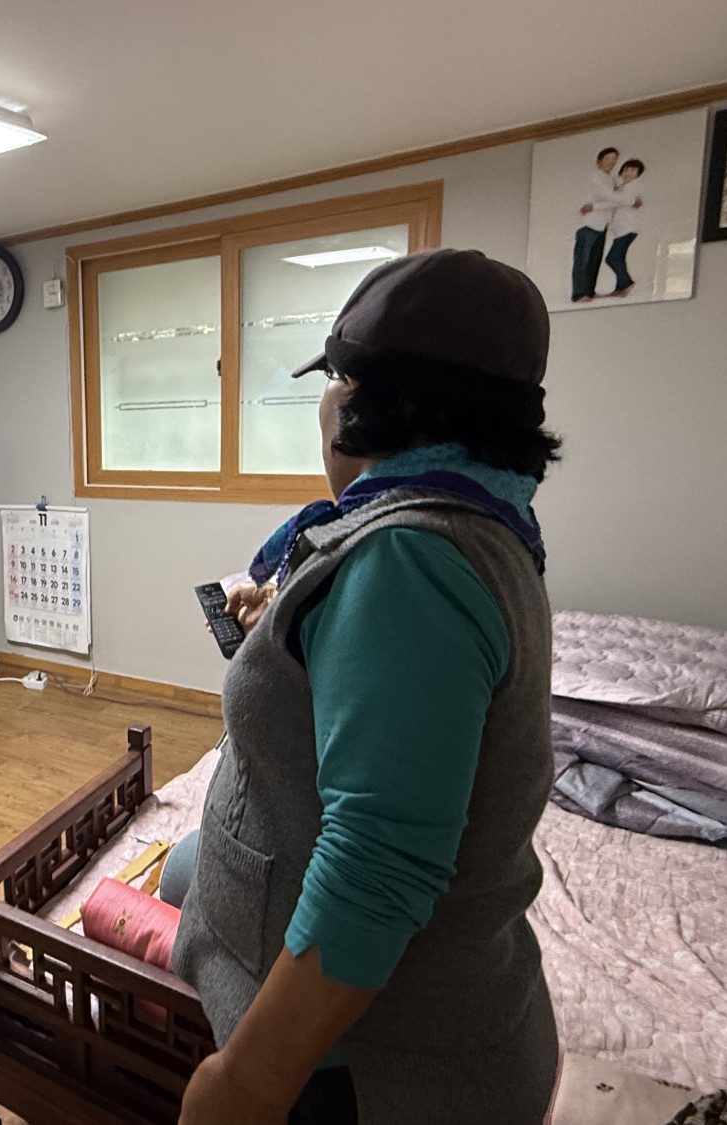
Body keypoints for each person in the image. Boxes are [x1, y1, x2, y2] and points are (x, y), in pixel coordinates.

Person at [172, 249, 562, 1124]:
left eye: (334, 380)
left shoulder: (407, 560)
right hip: (298, 925)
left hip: (363, 1065)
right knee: (182, 867)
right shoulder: (479, 523)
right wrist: (292, 625)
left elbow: (377, 864)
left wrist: (245, 1083)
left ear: (365, 401)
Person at [571, 146, 620, 301]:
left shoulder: (611, 179)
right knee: (583, 260)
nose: (611, 162)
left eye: (614, 159)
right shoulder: (595, 178)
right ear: (599, 161)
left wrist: (595, 206)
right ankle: (579, 293)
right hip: (589, 224)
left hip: (602, 223)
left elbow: (615, 201)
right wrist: (623, 200)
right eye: (608, 159)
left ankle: (589, 291)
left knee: (594, 259)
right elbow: (611, 198)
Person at [602, 158, 646, 297]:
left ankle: (627, 283)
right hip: (621, 229)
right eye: (625, 170)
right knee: (619, 258)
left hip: (628, 228)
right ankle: (620, 288)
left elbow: (624, 201)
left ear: (638, 174)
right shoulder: (622, 188)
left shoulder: (632, 187)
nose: (628, 173)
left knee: (612, 258)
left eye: (632, 170)